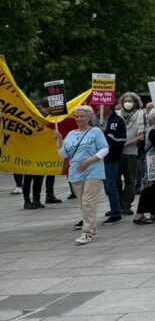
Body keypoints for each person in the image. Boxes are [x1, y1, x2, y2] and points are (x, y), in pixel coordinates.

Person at [55, 106, 108, 244]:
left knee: (88, 202)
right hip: (75, 173)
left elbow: (104, 148)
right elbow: (63, 154)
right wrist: (59, 140)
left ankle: (87, 232)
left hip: (94, 171)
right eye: (77, 116)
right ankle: (92, 227)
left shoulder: (95, 131)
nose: (79, 119)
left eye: (82, 116)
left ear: (89, 117)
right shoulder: (70, 134)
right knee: (83, 204)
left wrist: (90, 161)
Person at [118, 92, 145, 216]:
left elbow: (141, 136)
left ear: (135, 103)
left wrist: (125, 144)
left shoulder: (140, 114)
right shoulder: (117, 115)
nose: (127, 103)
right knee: (115, 181)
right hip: (117, 154)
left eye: (130, 101)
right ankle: (118, 203)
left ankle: (126, 205)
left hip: (132, 153)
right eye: (125, 101)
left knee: (130, 181)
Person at [99, 103, 125, 222]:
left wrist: (107, 134)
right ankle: (114, 207)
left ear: (109, 106)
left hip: (110, 157)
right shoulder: (95, 119)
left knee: (110, 185)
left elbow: (122, 139)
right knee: (106, 186)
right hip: (97, 159)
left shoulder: (118, 120)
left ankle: (116, 212)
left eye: (102, 104)